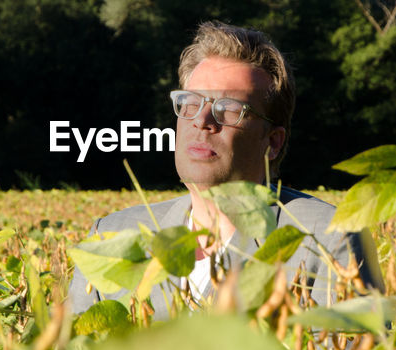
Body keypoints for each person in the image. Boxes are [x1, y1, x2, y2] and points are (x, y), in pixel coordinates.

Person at [67, 21, 379, 318]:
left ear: (272, 142)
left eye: (228, 109)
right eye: (190, 102)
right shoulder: (113, 234)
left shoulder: (328, 240)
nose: (202, 121)